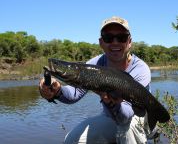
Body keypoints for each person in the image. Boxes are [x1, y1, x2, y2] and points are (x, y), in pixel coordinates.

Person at [39, 16, 155, 144]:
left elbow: (126, 117)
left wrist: (113, 104)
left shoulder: (140, 69)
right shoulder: (96, 63)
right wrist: (57, 91)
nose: (115, 42)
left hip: (137, 116)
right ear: (101, 42)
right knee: (71, 140)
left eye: (121, 37)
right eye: (108, 38)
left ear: (129, 42)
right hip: (110, 116)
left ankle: (150, 131)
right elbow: (75, 93)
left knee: (127, 129)